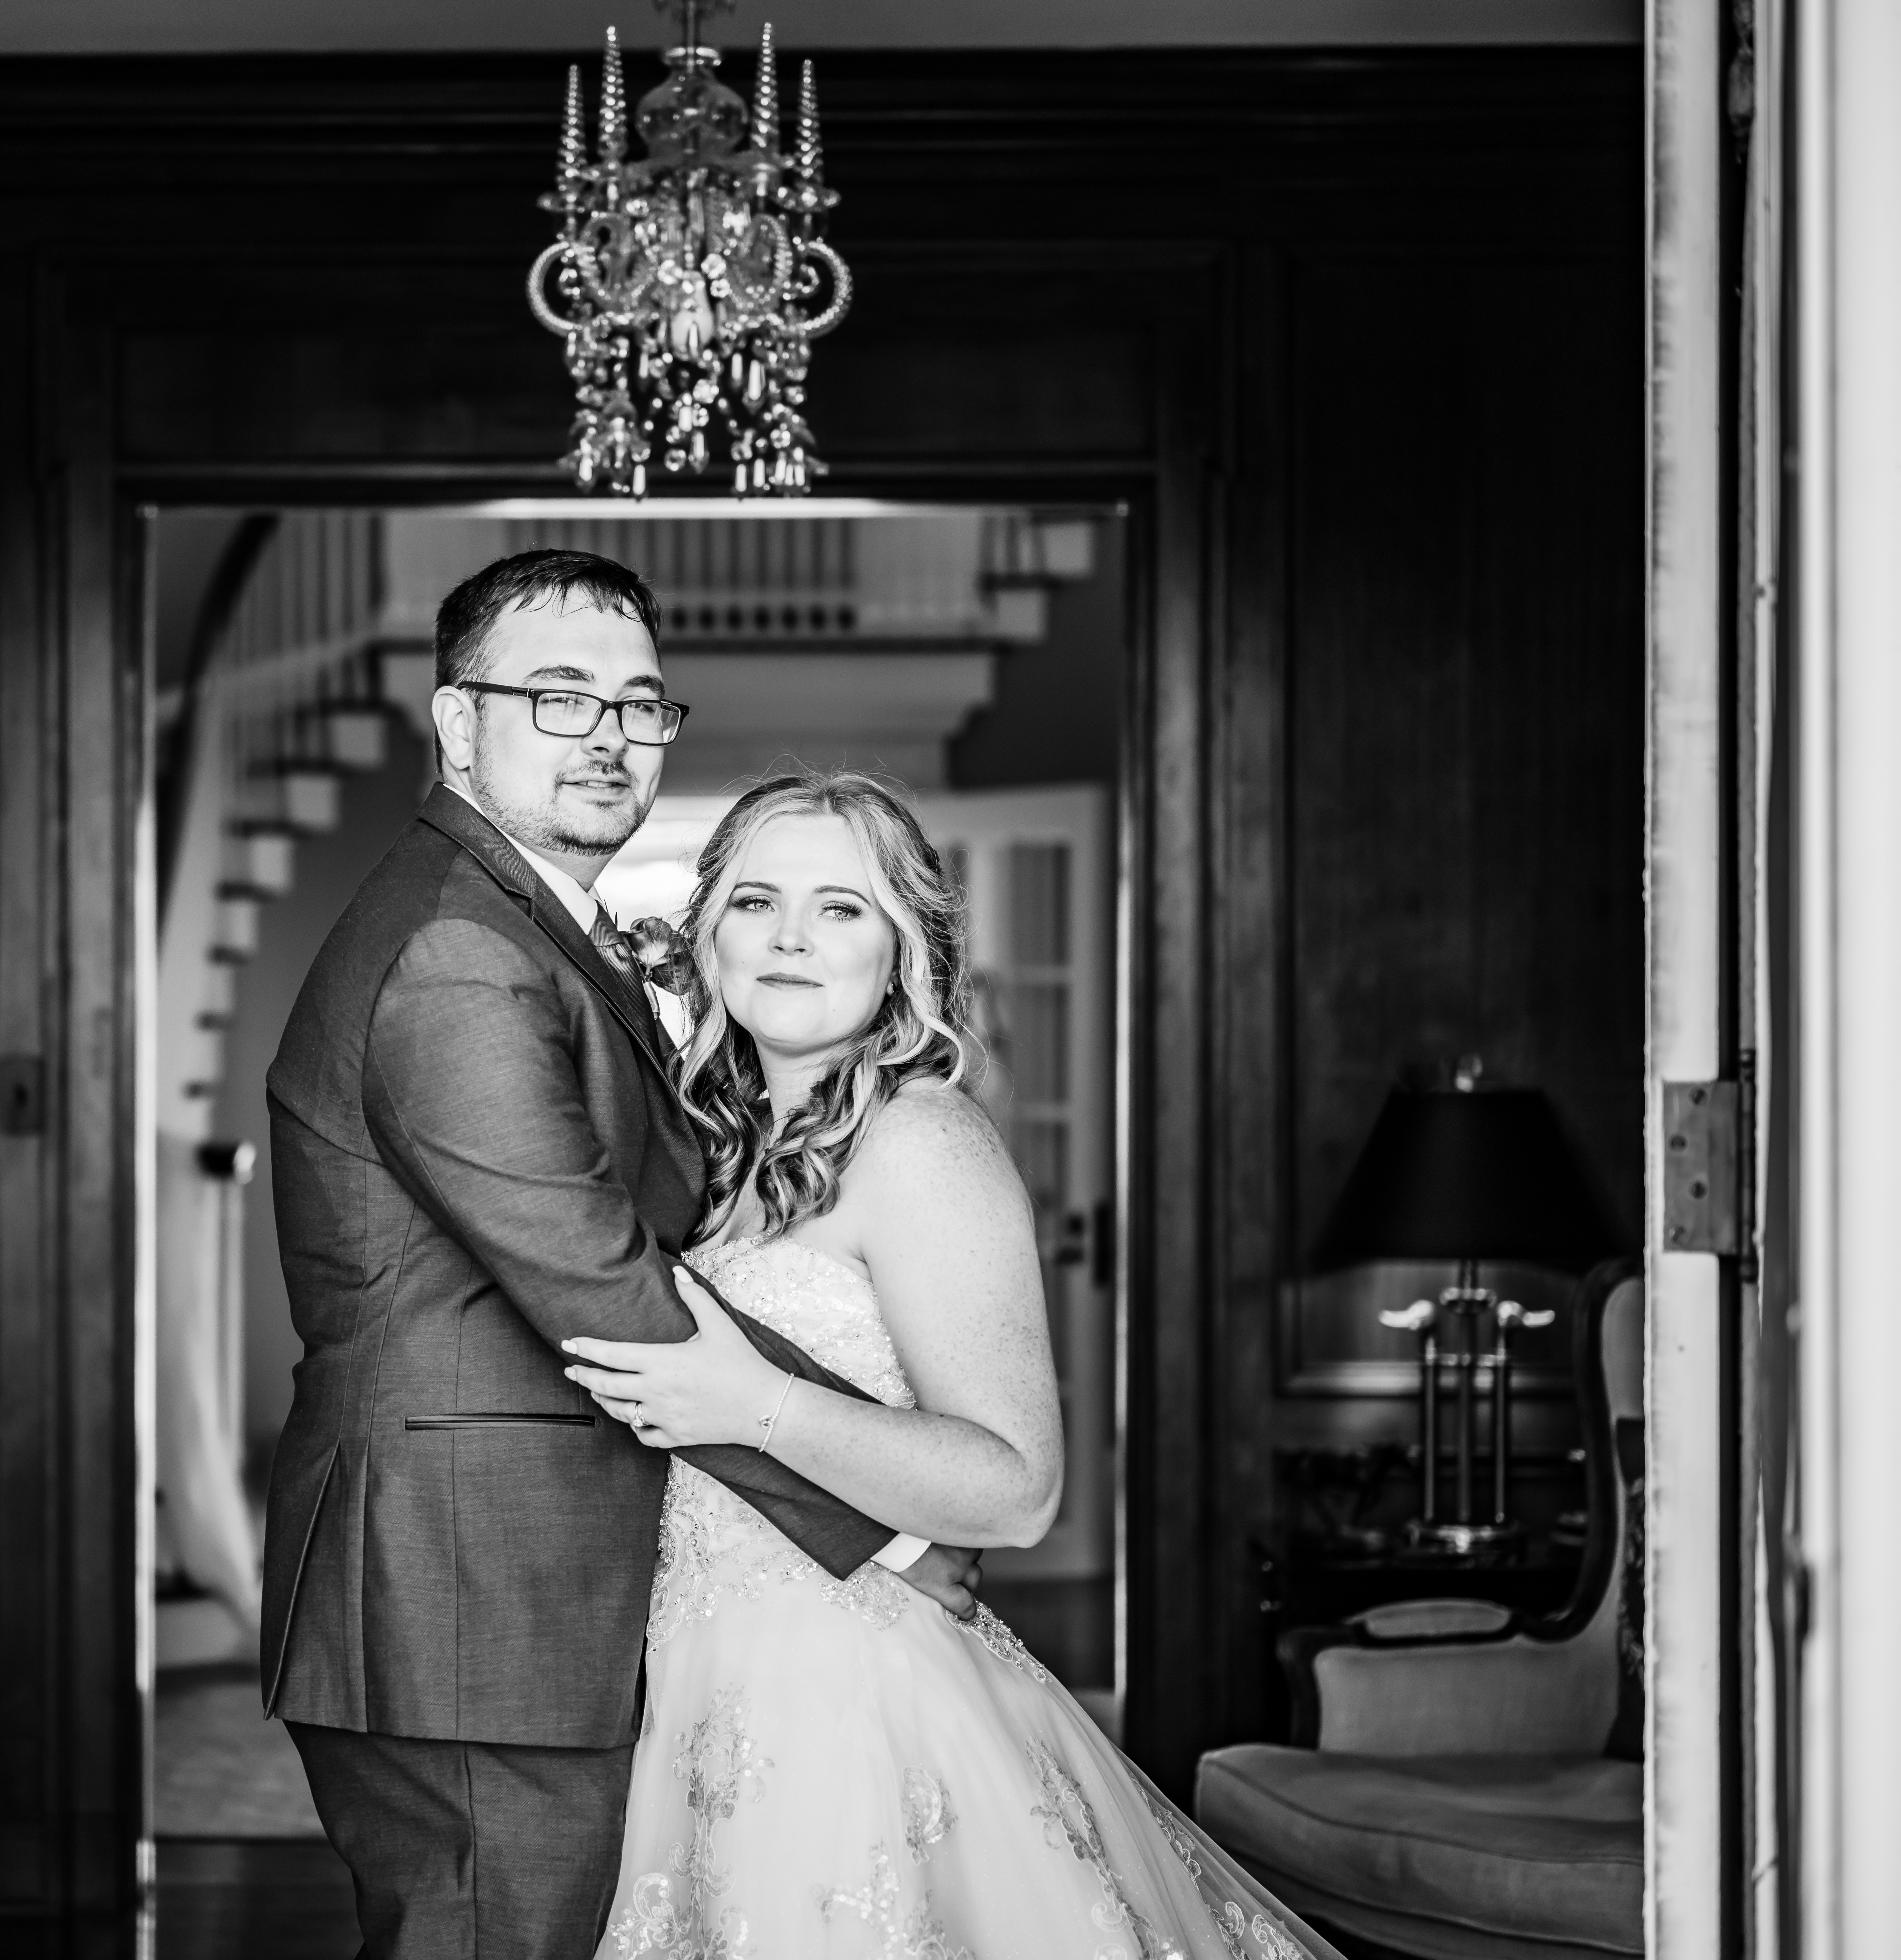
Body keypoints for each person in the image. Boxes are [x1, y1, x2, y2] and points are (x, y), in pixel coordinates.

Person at [261, 552, 984, 1960]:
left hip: (515, 1598)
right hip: (464, 1597)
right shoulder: (459, 950)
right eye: (558, 696)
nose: (608, 734)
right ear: (458, 723)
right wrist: (883, 1521)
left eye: (640, 704)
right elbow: (597, 1281)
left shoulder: (527, 925)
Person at [561, 771, 1337, 1960]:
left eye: (840, 908)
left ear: (903, 954)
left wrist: (758, 1405)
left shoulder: (921, 1142)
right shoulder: (703, 1145)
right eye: (757, 902)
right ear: (709, 935)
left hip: (851, 1706)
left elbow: (1018, 1489)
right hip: (691, 1683)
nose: (790, 938)